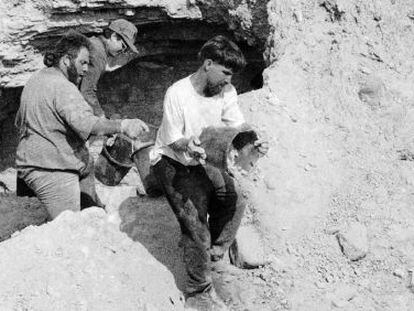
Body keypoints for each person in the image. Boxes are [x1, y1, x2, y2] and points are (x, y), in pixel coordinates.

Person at [149, 35, 248, 310]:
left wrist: (253, 140)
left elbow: (237, 126)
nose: (229, 80)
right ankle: (198, 293)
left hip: (205, 159)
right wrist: (188, 145)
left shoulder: (227, 92)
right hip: (172, 161)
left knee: (235, 199)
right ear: (208, 64)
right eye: (225, 72)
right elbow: (173, 140)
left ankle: (215, 257)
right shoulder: (177, 93)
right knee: (194, 224)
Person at [15, 30, 148, 220]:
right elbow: (87, 122)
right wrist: (123, 125)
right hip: (50, 169)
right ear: (66, 61)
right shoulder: (64, 88)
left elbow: (20, 121)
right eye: (82, 63)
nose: (86, 69)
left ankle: (94, 209)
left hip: (36, 160)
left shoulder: (36, 79)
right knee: (69, 224)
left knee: (86, 165)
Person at [80, 18, 139, 117]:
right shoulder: (97, 53)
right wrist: (101, 116)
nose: (122, 52)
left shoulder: (94, 43)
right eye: (123, 46)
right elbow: (87, 91)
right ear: (114, 36)